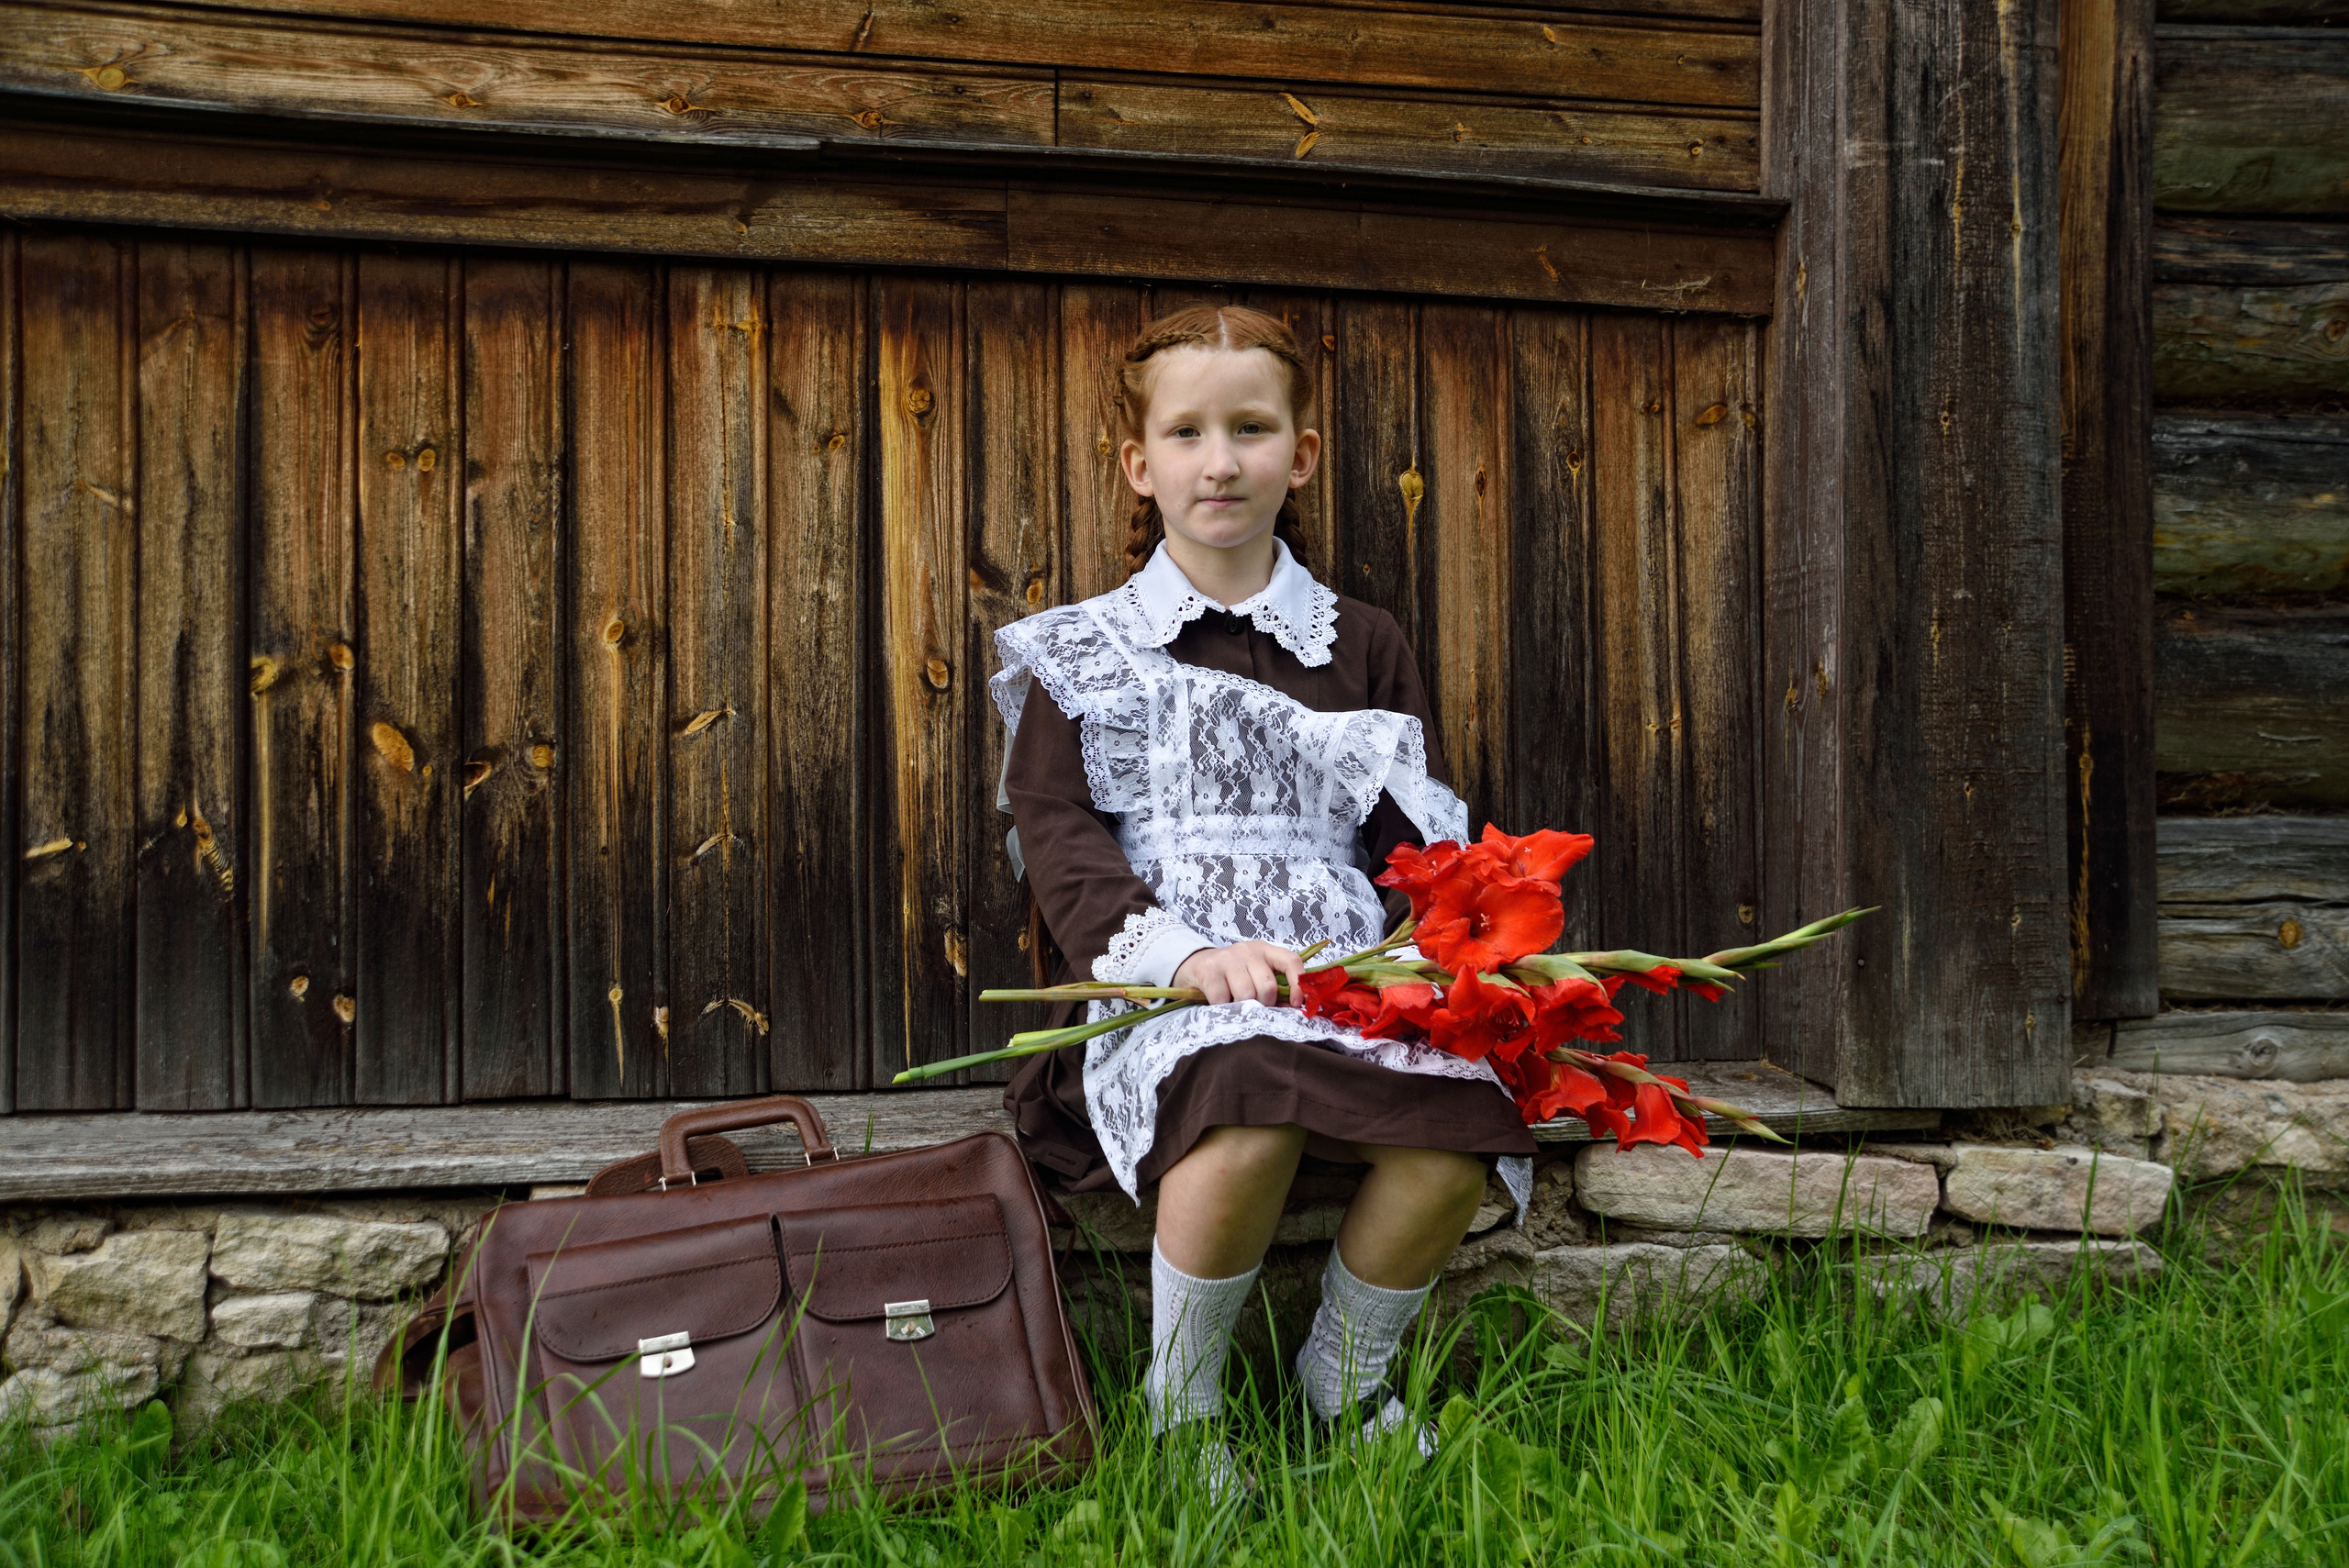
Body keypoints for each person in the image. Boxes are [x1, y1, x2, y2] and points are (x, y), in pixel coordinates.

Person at [993, 305, 1533, 1488]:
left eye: (1250, 428)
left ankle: (1342, 1386)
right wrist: (1181, 955)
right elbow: (1060, 832)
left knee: (1456, 1137)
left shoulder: (1362, 642)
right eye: (1186, 433)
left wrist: (1446, 952)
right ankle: (1185, 1415)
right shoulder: (1090, 650)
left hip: (1345, 975)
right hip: (1169, 983)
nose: (1220, 460)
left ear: (1300, 454)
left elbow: (1406, 830)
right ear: (1143, 464)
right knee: (1242, 1105)